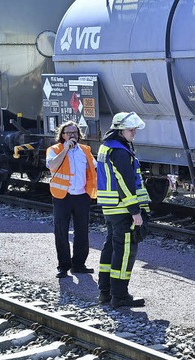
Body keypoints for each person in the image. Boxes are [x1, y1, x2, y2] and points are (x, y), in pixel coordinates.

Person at [96, 112, 151, 308]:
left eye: (134, 129)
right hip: (122, 210)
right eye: (130, 129)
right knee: (125, 251)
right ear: (119, 129)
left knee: (110, 247)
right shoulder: (120, 151)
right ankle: (119, 296)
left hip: (111, 208)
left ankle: (105, 292)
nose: (134, 132)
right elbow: (125, 183)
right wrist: (135, 211)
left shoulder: (108, 146)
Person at [46, 121, 97, 278]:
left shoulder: (85, 150)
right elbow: (52, 166)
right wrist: (66, 149)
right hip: (63, 196)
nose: (72, 135)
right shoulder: (55, 149)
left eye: (75, 132)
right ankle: (63, 266)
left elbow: (95, 167)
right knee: (61, 231)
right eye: (68, 133)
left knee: (82, 231)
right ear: (62, 135)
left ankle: (79, 264)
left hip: (81, 196)